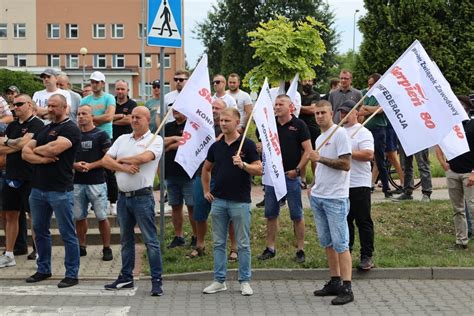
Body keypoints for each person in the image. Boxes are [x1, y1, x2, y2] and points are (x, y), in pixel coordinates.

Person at [102, 107, 164, 296]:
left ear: (148, 120)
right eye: (133, 117)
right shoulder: (122, 139)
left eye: (139, 117)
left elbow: (145, 158)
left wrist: (120, 161)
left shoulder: (155, 140)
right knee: (125, 240)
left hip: (142, 198)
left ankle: (156, 281)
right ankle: (126, 278)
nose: (134, 120)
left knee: (150, 241)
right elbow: (105, 160)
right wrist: (125, 165)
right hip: (123, 198)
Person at [22, 94, 81, 288]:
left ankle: (71, 274)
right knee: (39, 231)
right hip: (38, 189)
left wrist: (39, 150)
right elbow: (25, 152)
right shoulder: (44, 128)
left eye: (54, 106)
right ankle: (43, 269)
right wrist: (42, 157)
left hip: (60, 189)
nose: (49, 108)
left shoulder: (71, 128)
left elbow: (54, 149)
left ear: (65, 107)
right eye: (48, 105)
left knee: (67, 233)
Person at [202, 107, 262, 296]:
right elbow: (206, 169)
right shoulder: (216, 146)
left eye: (227, 120)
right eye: (221, 120)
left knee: (243, 244)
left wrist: (243, 165)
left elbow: (259, 169)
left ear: (237, 122)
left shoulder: (248, 145)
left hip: (240, 201)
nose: (223, 123)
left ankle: (244, 281)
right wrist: (206, 190)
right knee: (219, 243)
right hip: (219, 201)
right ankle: (219, 280)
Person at [308, 100, 354, 305]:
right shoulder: (320, 136)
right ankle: (335, 280)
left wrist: (320, 159)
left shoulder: (340, 134)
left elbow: (346, 164)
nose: (319, 116)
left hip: (336, 197)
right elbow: (321, 167)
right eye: (316, 113)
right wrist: (313, 183)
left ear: (332, 113)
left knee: (341, 243)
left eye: (323, 113)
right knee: (327, 242)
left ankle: (347, 287)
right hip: (319, 196)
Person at [257, 95, 312, 263]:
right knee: (271, 214)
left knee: (297, 214)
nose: (277, 106)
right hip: (272, 177)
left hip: (291, 177)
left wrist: (297, 170)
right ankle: (270, 248)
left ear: (291, 107)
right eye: (276, 104)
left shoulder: (299, 125)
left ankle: (300, 250)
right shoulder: (269, 125)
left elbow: (308, 151)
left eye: (281, 104)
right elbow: (262, 147)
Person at [188, 99, 238, 260]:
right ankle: (200, 244)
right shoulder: (201, 127)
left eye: (218, 108)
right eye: (213, 108)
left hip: (223, 177)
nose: (215, 110)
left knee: (229, 215)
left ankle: (234, 248)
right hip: (201, 174)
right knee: (199, 212)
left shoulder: (228, 131)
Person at [0, 94, 43, 268]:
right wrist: (15, 144)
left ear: (30, 105)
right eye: (13, 105)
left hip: (30, 177)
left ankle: (40, 253)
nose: (15, 107)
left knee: (34, 217)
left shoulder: (37, 124)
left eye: (19, 104)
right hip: (11, 175)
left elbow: (26, 145)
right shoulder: (12, 126)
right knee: (10, 215)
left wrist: (9, 143)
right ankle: (9, 254)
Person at [73, 105, 113, 260]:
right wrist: (75, 165)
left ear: (92, 116)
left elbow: (108, 158)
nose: (81, 116)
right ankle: (81, 246)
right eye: (78, 114)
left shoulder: (101, 134)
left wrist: (91, 165)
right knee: (79, 216)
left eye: (84, 113)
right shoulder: (73, 135)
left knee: (102, 216)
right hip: (77, 182)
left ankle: (107, 248)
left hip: (97, 182)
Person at [339, 101, 375, 270]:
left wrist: (348, 152)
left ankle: (366, 255)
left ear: (356, 113)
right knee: (346, 221)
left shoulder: (363, 132)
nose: (343, 115)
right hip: (341, 184)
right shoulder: (337, 132)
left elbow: (368, 154)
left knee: (363, 220)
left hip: (359, 183)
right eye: (341, 112)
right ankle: (347, 253)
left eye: (347, 112)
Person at [435, 96, 474, 249]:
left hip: (468, 173)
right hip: (453, 172)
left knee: (472, 206)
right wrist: (444, 163)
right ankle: (461, 241)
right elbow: (440, 142)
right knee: (458, 209)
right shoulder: (450, 126)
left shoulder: (471, 125)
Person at [80, 71, 116, 214]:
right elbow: (81, 117)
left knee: (109, 168)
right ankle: (89, 202)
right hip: (87, 136)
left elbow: (109, 117)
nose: (94, 85)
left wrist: (90, 119)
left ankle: (113, 201)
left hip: (105, 136)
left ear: (103, 83)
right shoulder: (85, 100)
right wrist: (89, 119)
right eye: (92, 82)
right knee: (88, 167)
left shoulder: (109, 98)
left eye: (97, 82)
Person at [164, 110, 197, 248]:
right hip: (171, 173)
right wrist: (177, 139)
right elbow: (161, 144)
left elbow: (190, 143)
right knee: (175, 206)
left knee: (192, 207)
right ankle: (179, 236)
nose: (176, 111)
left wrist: (170, 144)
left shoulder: (192, 126)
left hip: (188, 174)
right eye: (174, 108)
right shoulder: (167, 126)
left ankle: (196, 236)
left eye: (179, 108)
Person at [358, 73, 392, 198]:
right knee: (365, 159)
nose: (369, 86)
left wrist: (367, 108)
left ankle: (386, 189)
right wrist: (370, 109)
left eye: (372, 84)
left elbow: (380, 110)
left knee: (380, 159)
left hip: (379, 129)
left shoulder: (382, 94)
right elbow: (360, 111)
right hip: (366, 129)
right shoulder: (365, 93)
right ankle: (366, 185)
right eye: (369, 84)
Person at [298, 77, 321, 185]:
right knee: (301, 154)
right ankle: (302, 180)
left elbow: (313, 109)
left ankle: (315, 180)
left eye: (309, 81)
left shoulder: (315, 95)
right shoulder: (297, 95)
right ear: (301, 82)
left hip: (313, 127)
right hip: (299, 128)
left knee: (313, 154)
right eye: (305, 80)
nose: (307, 83)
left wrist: (298, 107)